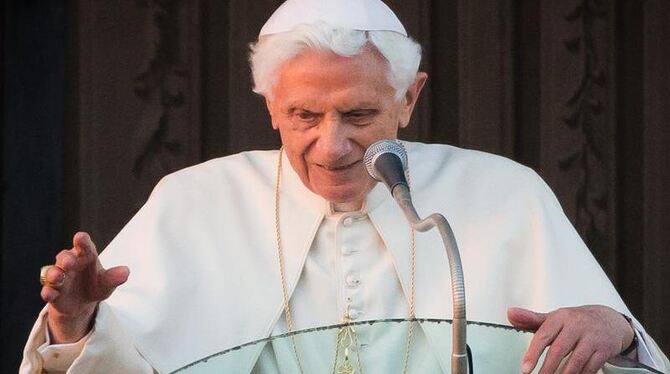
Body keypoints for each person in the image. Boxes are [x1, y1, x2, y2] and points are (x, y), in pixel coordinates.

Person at [21, 0, 670, 373]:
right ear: (270, 105)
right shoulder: (193, 204)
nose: (333, 145)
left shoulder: (504, 195)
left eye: (359, 115)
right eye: (304, 116)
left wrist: (615, 330)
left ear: (409, 99)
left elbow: (625, 356)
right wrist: (76, 324)